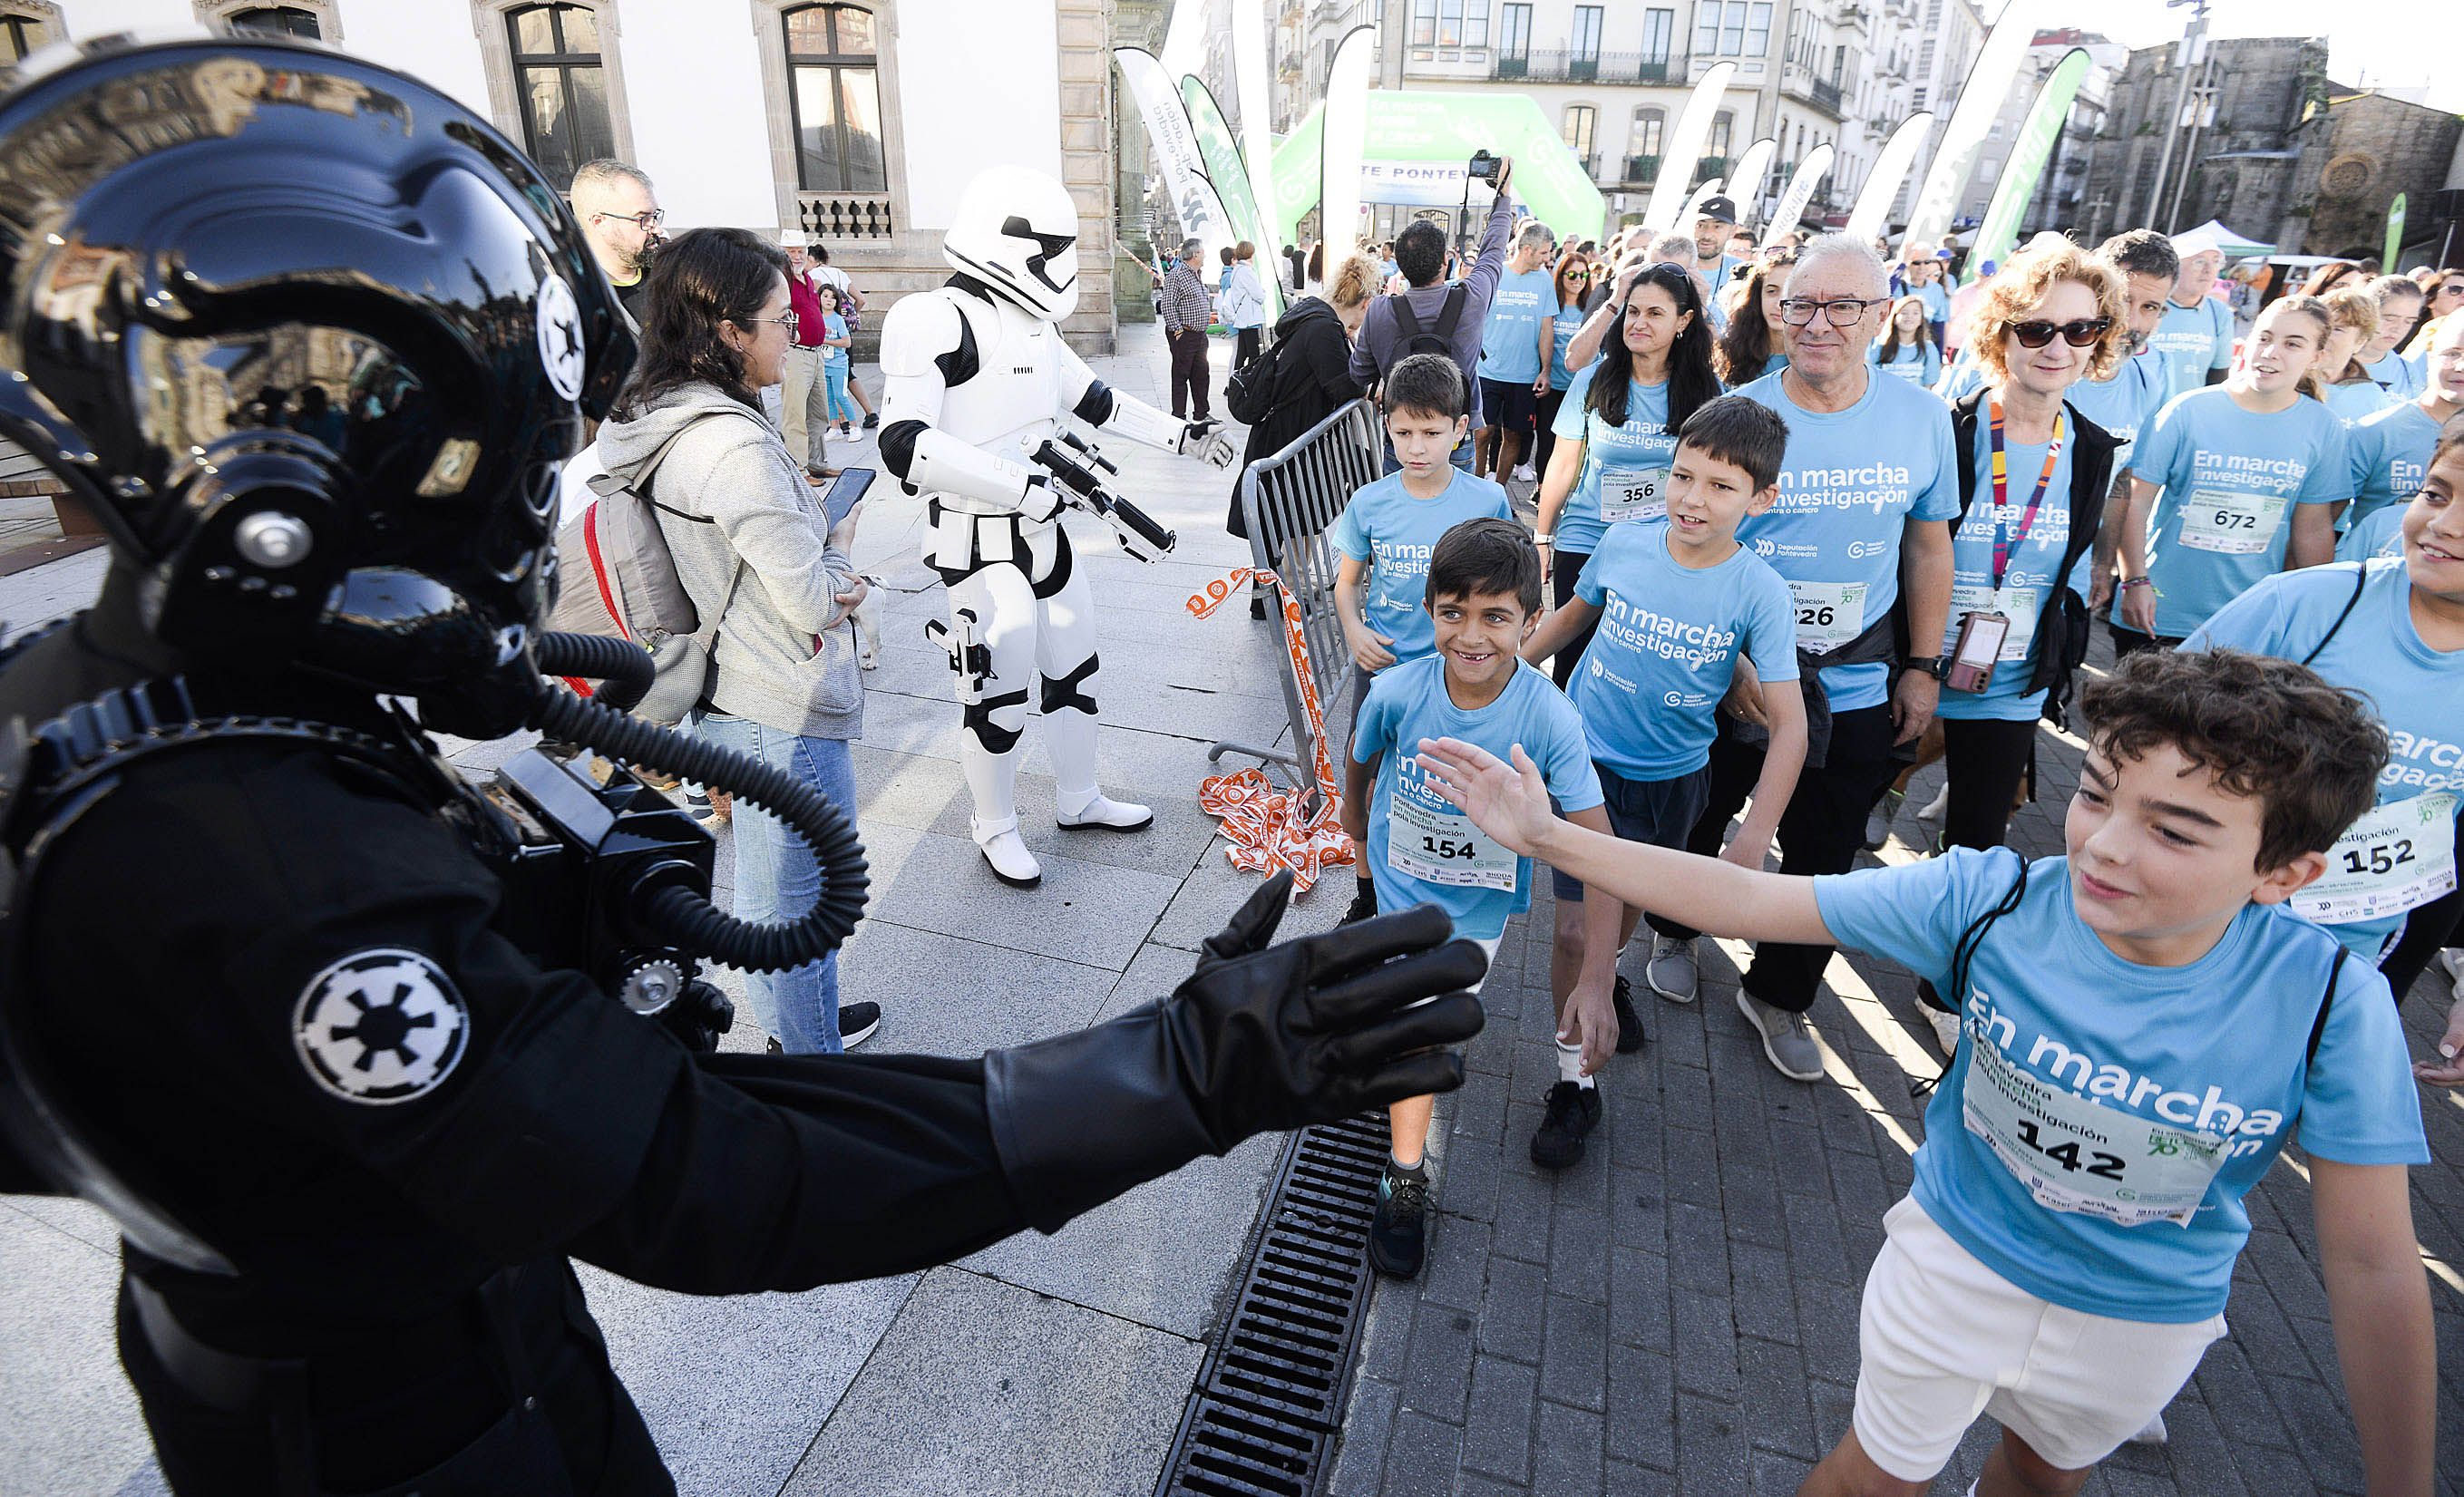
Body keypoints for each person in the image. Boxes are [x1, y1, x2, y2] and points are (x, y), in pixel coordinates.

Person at [0, 35, 1493, 1495]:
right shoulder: (264, 866)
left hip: (382, 1352)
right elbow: (707, 1176)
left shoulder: (129, 706)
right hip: (412, 1424)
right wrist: (1169, 1072)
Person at [1417, 646, 2433, 1497]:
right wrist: (1551, 837)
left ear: (2284, 873)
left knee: (2041, 1479)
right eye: (2091, 793)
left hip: (2140, 1322)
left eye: (2172, 829)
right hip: (1951, 1264)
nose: (2102, 848)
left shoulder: (2328, 1005)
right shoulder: (1989, 896)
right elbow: (1747, 902)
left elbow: (2375, 1264)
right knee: (1873, 1477)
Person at [1647, 235, 1958, 1084]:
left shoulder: (1924, 418)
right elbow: (1690, 539)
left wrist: (1923, 665)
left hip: (1860, 676)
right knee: (1701, 817)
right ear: (1776, 311)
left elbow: (1929, 549)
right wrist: (1730, 657)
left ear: (1880, 314)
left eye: (1841, 307)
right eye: (1800, 305)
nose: (1818, 324)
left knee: (1822, 853)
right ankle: (1674, 932)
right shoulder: (1737, 413)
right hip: (1734, 675)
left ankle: (1779, 993)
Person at [874, 169, 1233, 887]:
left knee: (1074, 668)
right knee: (994, 684)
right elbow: (902, 442)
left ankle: (1078, 796)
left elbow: (1095, 401)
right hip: (976, 536)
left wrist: (1181, 437)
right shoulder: (932, 318)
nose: (1056, 261)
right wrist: (1017, 485)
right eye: (1048, 245)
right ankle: (995, 823)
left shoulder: (1035, 324)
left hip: (1046, 530)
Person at [599, 228, 875, 1055]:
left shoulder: (657, 412)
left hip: (725, 688)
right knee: (794, 909)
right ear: (726, 332)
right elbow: (809, 599)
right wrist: (842, 560)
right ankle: (811, 1069)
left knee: (769, 895)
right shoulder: (731, 444)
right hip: (778, 701)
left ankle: (807, 1027)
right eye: (778, 318)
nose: (794, 333)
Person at [1520, 398, 1806, 1150]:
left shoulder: (1760, 593)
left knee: (1626, 915)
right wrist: (1494, 679)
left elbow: (1792, 726)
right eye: (1683, 476)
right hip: (1583, 766)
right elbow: (1567, 622)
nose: (1691, 498)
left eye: (1720, 486)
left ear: (1762, 499)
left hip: (1674, 779)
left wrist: (1751, 842)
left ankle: (1612, 969)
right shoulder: (1624, 541)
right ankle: (1571, 1081)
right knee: (1576, 928)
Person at [1342, 519, 1612, 1278]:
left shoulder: (1549, 717)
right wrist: (1357, 845)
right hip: (1395, 888)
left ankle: (1403, 1171)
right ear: (1428, 607)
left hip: (1473, 915)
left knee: (1419, 1032)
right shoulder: (1396, 691)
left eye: (1495, 616)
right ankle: (1404, 1162)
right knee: (1410, 1032)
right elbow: (1357, 765)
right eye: (1452, 611)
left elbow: (1603, 851)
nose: (1471, 635)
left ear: (1531, 620)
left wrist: (1596, 976)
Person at [2190, 418, 2464, 1011]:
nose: (2442, 524)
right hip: (2187, 926)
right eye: (2435, 494)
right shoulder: (2302, 604)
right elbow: (2140, 733)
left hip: (2336, 968)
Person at [1929, 240, 2127, 866]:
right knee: (1834, 829)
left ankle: (1950, 962)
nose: (2057, 347)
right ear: (2001, 333)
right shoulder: (1947, 428)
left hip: (2008, 680)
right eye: (2037, 328)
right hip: (1911, 670)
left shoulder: (2092, 448)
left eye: (2079, 329)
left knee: (1976, 847)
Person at [2114, 296, 2349, 654]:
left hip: (2250, 622)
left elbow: (2313, 528)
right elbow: (2136, 499)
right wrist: (2134, 580)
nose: (2271, 352)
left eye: (2293, 344)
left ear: (2316, 357)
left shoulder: (2323, 428)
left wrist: (2307, 609)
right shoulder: (2187, 411)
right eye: (2265, 338)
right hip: (2160, 614)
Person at [1531, 260, 1724, 688]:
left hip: (1662, 551)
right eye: (1633, 311)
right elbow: (1562, 464)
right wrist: (1543, 538)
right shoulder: (1593, 380)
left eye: (1655, 313)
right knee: (1571, 663)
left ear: (1683, 321)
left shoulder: (1707, 393)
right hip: (1585, 541)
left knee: (1634, 670)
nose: (1639, 322)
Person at [1228, 253, 1377, 616]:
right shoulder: (1324, 328)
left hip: (1283, 435)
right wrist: (1375, 390)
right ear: (1365, 303)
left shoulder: (1313, 316)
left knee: (1281, 520)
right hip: (1293, 441)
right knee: (1299, 520)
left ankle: (1270, 598)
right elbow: (1341, 387)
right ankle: (1287, 596)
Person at [1349, 158, 1520, 471]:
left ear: (1399, 264)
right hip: (1455, 435)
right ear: (1446, 260)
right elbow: (1493, 252)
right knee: (1455, 517)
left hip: (1402, 438)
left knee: (1400, 515)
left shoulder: (1380, 311)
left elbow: (1360, 374)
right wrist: (1503, 196)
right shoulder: (1472, 298)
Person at [2342, 315, 2464, 557]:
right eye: (2452, 353)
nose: (2461, 366)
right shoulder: (2375, 431)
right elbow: (2321, 521)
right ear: (2429, 358)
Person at [1472, 219, 1561, 483]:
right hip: (1487, 371)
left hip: (1524, 376)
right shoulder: (1495, 275)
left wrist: (1545, 370)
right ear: (1527, 250)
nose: (1548, 258)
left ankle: (1498, 491)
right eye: (1544, 252)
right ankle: (1476, 489)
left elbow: (1547, 329)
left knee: (1513, 435)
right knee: (1482, 433)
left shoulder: (1545, 281)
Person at [570, 157, 663, 328]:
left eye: (655, 215)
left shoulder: (671, 279)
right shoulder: (573, 300)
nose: (656, 229)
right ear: (600, 223)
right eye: (642, 218)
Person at [1531, 248, 1595, 484]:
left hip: (1579, 389)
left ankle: (1568, 488)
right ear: (1561, 276)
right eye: (1572, 275)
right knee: (1547, 440)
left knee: (1575, 444)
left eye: (1583, 275)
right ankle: (1542, 487)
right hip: (1552, 385)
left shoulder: (1590, 311)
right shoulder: (1551, 308)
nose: (1578, 280)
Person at [775, 234, 834, 481]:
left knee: (818, 411)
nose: (797, 256)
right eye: (791, 252)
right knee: (796, 413)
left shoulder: (808, 279)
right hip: (797, 353)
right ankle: (799, 469)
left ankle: (816, 463)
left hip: (815, 352)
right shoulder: (782, 280)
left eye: (800, 251)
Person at [2147, 232, 2235, 398]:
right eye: (2199, 262)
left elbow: (2219, 375)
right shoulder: (2149, 305)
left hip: (2186, 414)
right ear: (2174, 267)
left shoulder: (2219, 313)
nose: (2209, 270)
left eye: (2216, 262)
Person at [804, 244, 878, 429]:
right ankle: (870, 413)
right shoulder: (840, 273)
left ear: (812, 259)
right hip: (844, 331)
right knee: (848, 373)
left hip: (826, 332)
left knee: (829, 374)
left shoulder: (813, 276)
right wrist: (851, 317)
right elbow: (860, 299)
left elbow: (814, 305)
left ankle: (843, 420)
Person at [2315, 286, 2393, 424]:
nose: (2325, 336)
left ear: (2360, 342)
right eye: (2321, 326)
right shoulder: (2285, 381)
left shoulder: (2372, 398)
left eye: (2337, 329)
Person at [1714, 250, 1794, 384]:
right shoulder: (1733, 349)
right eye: (1772, 291)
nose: (1779, 303)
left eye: (1790, 293)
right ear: (1758, 295)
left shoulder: (1818, 360)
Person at [1163, 235, 1216, 423]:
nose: (1205, 256)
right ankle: (1178, 417)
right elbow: (1167, 305)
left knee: (1201, 375)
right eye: (1203, 252)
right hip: (1185, 334)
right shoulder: (1177, 275)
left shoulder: (1196, 274)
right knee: (1181, 375)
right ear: (1194, 254)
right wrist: (1177, 330)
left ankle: (1201, 413)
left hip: (1200, 336)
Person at [2358, 273, 2428, 403]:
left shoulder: (2409, 372)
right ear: (2365, 312)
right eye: (2389, 319)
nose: (2398, 328)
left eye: (2409, 321)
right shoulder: (2332, 361)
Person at [816, 283, 860, 439]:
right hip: (823, 365)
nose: (829, 300)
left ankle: (854, 426)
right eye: (825, 296)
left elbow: (846, 342)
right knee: (828, 397)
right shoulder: (817, 318)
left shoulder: (838, 320)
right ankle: (834, 428)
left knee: (841, 395)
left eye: (833, 298)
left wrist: (826, 341)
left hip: (838, 365)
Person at [1869, 294, 1942, 386]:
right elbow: (1873, 379)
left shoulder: (1928, 348)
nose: (1909, 317)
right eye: (1904, 313)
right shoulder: (1880, 347)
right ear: (1894, 319)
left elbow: (1929, 384)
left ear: (1921, 320)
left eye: (1915, 313)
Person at [1224, 240, 1270, 370]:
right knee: (1253, 354)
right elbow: (1259, 295)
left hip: (1242, 317)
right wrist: (1263, 292)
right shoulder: (1247, 271)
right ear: (1251, 254)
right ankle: (1250, 383)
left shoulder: (1237, 270)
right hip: (1250, 318)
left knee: (1242, 354)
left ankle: (1235, 382)